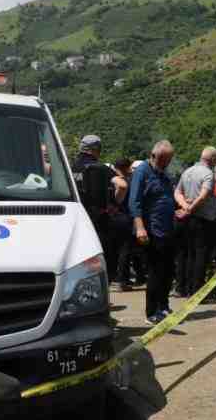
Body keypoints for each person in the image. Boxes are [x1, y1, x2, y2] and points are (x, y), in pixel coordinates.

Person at [128, 140, 178, 325]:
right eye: (165, 160)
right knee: (155, 271)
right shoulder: (142, 172)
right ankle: (152, 312)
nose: (167, 163)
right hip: (151, 230)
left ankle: (163, 306)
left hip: (167, 229)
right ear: (155, 156)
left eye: (169, 160)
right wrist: (140, 227)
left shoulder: (163, 174)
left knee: (167, 270)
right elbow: (134, 202)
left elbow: (166, 197)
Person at [175, 147, 216, 295]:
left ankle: (184, 287)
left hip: (188, 219)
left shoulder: (187, 171)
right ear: (212, 159)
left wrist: (184, 206)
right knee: (201, 254)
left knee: (188, 253)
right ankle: (196, 290)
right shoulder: (208, 174)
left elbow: (177, 192)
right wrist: (190, 208)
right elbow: (203, 196)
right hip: (204, 219)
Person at [73, 135, 116, 278]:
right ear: (95, 149)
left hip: (76, 217)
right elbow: (122, 185)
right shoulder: (101, 168)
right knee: (99, 253)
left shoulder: (70, 166)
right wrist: (115, 204)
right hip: (98, 218)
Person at [110, 158, 138, 292]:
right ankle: (122, 280)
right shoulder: (128, 181)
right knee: (125, 249)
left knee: (116, 248)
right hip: (125, 216)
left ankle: (115, 278)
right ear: (126, 167)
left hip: (114, 217)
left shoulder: (112, 179)